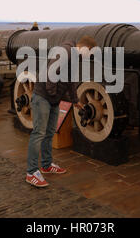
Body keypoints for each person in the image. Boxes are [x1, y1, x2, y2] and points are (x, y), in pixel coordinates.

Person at [26, 35, 97, 188]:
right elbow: (52, 73)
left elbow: (70, 82)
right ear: (85, 48)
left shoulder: (73, 56)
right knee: (39, 133)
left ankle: (46, 164)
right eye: (90, 52)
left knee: (50, 132)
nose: (89, 56)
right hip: (44, 97)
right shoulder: (65, 51)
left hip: (52, 100)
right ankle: (31, 172)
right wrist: (52, 94)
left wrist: (75, 100)